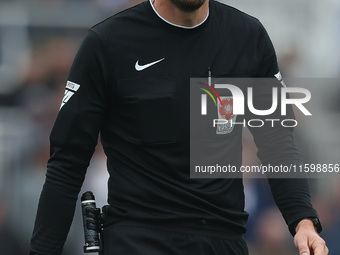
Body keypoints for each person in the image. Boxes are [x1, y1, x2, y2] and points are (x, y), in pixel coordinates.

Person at [29, 0, 329, 254]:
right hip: (139, 241)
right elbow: (68, 162)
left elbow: (277, 141)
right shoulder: (108, 43)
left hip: (225, 241)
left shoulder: (248, 37)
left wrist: (302, 220)